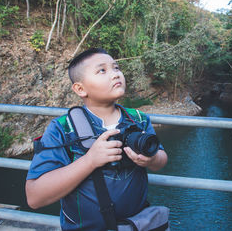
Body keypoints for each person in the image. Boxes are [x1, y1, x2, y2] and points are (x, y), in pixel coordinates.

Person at [25, 48, 168, 230]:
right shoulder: (63, 129)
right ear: (80, 89)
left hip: (136, 225)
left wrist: (152, 159)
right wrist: (90, 161)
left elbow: (161, 159)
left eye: (116, 68)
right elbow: (35, 197)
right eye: (102, 70)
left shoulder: (138, 119)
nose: (115, 74)